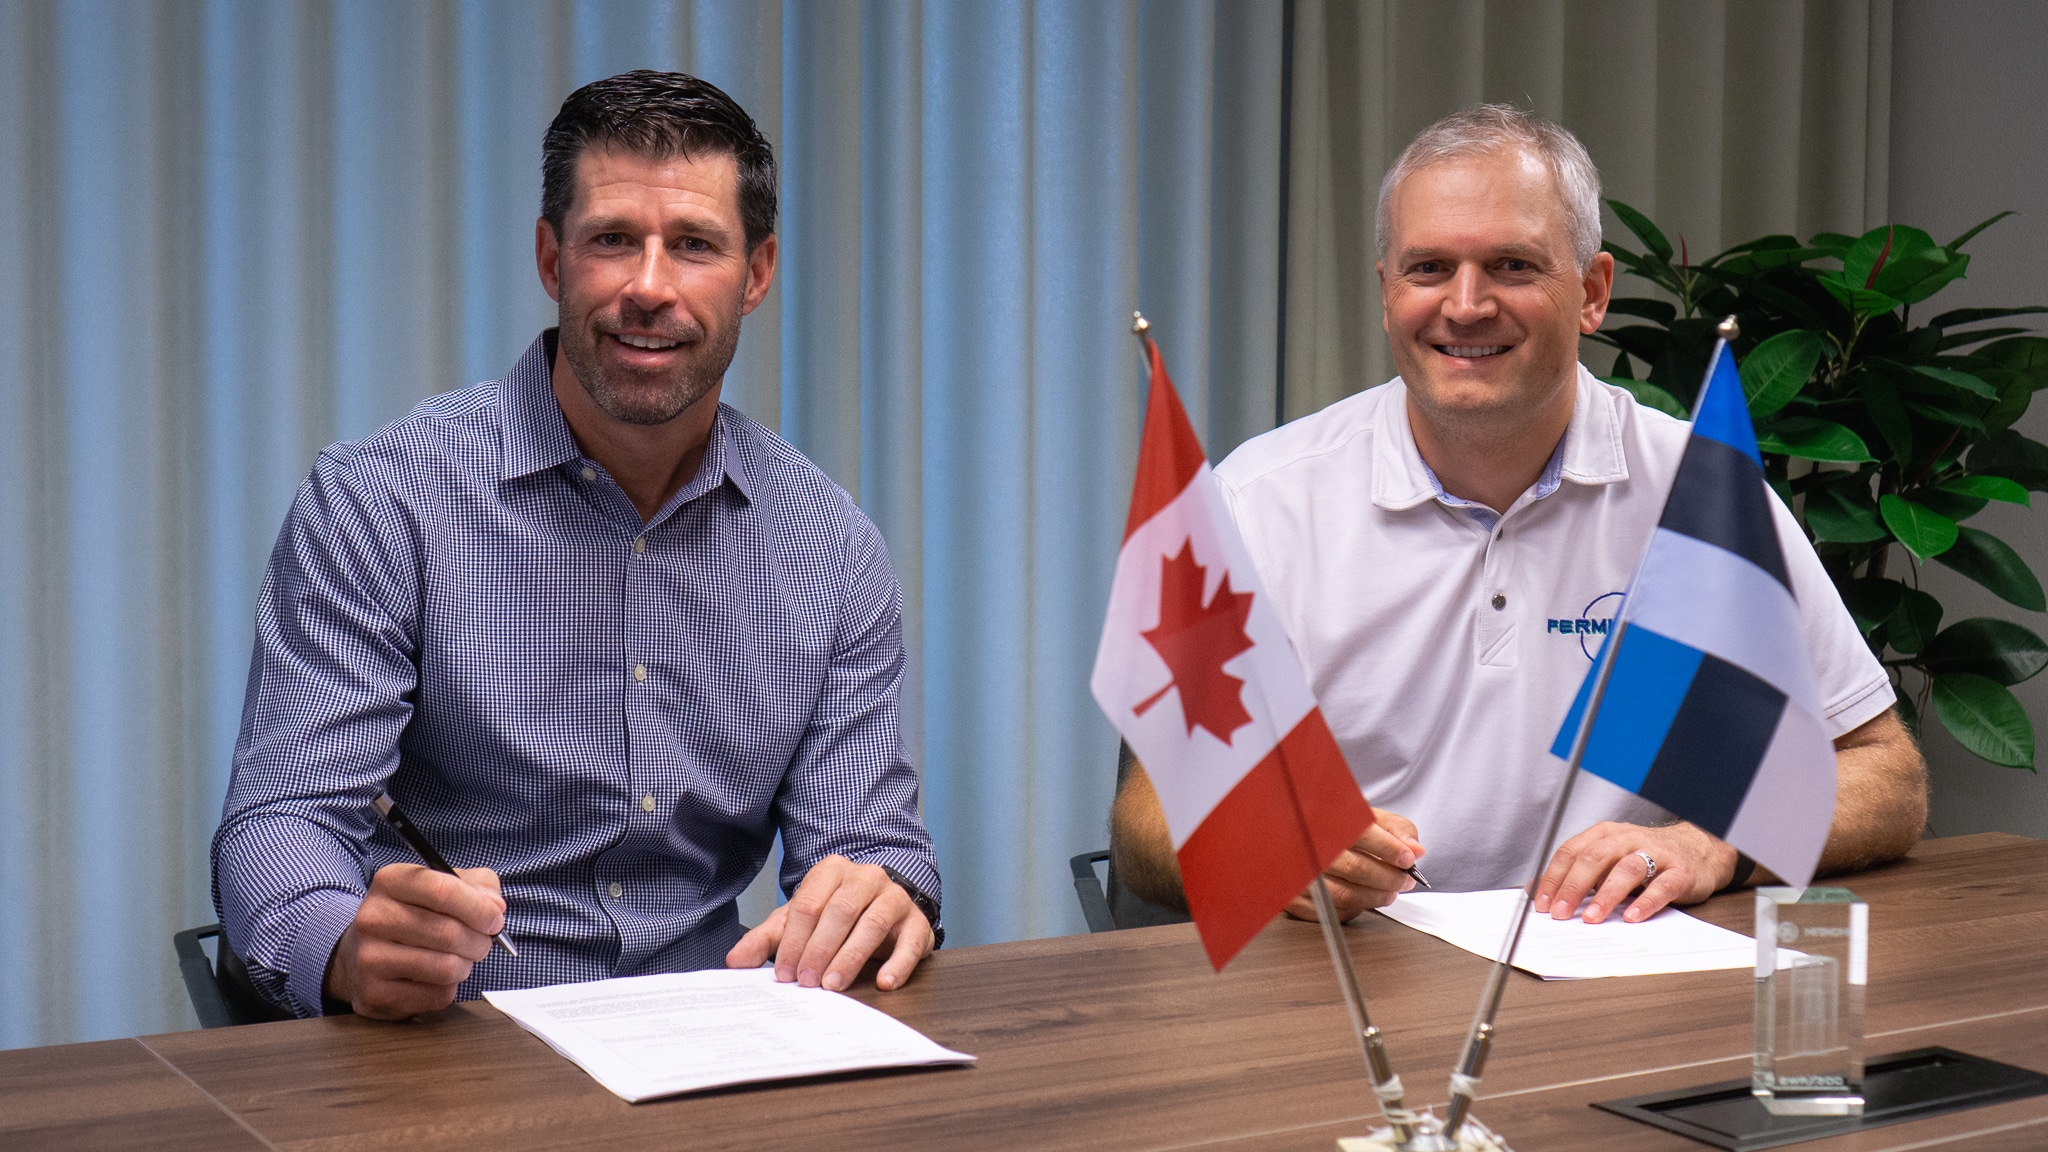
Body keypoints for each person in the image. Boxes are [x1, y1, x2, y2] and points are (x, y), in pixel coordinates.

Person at [213, 71, 941, 1022]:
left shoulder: (830, 547)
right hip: (447, 1043)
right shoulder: (381, 502)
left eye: (694, 245)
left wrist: (882, 892)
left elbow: (869, 843)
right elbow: (282, 821)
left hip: (711, 1040)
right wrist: (345, 949)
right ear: (551, 259)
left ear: (757, 274)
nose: (650, 287)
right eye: (612, 241)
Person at [1110, 104, 1925, 931]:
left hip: (1618, 972)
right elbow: (1146, 819)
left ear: (1592, 293)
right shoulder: (1260, 501)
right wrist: (1265, 845)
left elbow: (1884, 773)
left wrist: (1709, 845)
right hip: (1355, 977)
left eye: (1511, 265)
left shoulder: (1700, 494)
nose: (1466, 305)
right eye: (1429, 268)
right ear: (1387, 292)